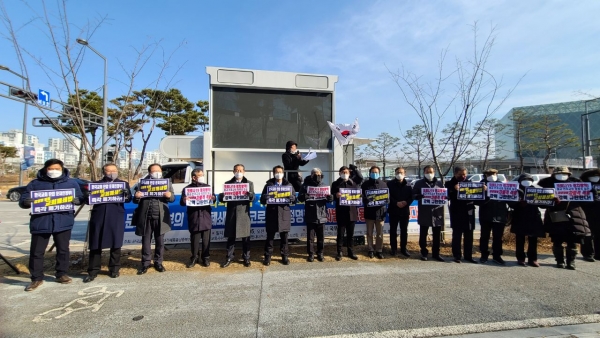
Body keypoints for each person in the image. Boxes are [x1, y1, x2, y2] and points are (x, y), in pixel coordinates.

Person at [19, 159, 84, 291]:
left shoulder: (71, 183)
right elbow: (22, 201)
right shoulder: (35, 183)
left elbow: (81, 197)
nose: (54, 171)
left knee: (63, 250)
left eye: (57, 169)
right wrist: (26, 202)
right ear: (45, 169)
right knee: (37, 252)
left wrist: (78, 200)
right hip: (41, 222)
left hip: (63, 221)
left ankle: (61, 274)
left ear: (62, 169)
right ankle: (36, 278)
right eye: (50, 169)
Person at [84, 163, 132, 282]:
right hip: (99, 215)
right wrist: (87, 196)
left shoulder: (123, 184)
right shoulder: (96, 185)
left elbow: (129, 199)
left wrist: (126, 194)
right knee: (95, 244)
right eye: (109, 171)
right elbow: (87, 201)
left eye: (114, 170)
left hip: (116, 216)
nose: (112, 173)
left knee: (116, 244)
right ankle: (93, 270)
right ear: (104, 172)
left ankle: (114, 269)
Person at [538, 166, 591, 270]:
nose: (562, 176)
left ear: (569, 175)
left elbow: (586, 202)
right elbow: (541, 203)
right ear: (554, 175)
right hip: (556, 217)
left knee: (572, 240)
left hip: (574, 217)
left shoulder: (579, 186)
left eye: (564, 174)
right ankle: (559, 261)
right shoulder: (547, 186)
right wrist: (551, 201)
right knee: (557, 240)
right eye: (559, 174)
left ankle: (571, 262)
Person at [132, 163, 175, 275]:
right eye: (154, 171)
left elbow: (172, 198)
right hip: (145, 216)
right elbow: (135, 200)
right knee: (146, 241)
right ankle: (145, 263)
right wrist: (136, 197)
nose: (157, 173)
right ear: (150, 172)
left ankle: (158, 262)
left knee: (160, 242)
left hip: (160, 216)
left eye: (159, 171)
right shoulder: (142, 183)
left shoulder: (167, 183)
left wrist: (169, 196)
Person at [218, 164, 255, 268]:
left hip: (243, 214)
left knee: (246, 238)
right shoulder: (228, 183)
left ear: (244, 171)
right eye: (236, 170)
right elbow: (222, 199)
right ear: (233, 171)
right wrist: (221, 196)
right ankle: (229, 257)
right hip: (232, 213)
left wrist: (250, 195)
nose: (238, 172)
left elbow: (253, 197)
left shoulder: (249, 183)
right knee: (231, 238)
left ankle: (246, 258)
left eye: (240, 170)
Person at [260, 165, 296, 265]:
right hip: (272, 213)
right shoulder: (268, 185)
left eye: (280, 172)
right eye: (276, 172)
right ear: (273, 173)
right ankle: (267, 257)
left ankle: (285, 256)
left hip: (284, 213)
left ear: (283, 173)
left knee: (284, 237)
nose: (278, 173)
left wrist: (292, 198)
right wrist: (264, 197)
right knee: (270, 237)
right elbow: (262, 200)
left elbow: (295, 200)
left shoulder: (288, 185)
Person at [507, 173, 545, 267]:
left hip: (533, 217)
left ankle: (533, 259)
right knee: (520, 239)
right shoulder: (515, 190)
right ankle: (520, 258)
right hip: (520, 217)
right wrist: (518, 203)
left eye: (529, 179)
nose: (527, 181)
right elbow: (510, 203)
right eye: (524, 179)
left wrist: (552, 200)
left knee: (533, 240)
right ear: (520, 181)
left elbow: (543, 204)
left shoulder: (536, 191)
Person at [180, 169, 215, 268]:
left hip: (205, 216)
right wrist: (184, 200)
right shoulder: (187, 189)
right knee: (195, 240)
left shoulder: (207, 187)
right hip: (194, 217)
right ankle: (194, 257)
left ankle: (206, 257)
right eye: (200, 175)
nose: (202, 177)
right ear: (194, 177)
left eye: (202, 175)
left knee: (206, 239)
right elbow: (182, 203)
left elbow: (214, 198)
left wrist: (213, 198)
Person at [298, 168, 333, 262]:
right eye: (314, 174)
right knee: (310, 237)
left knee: (321, 237)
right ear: (311, 175)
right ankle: (311, 254)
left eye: (318, 174)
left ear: (321, 175)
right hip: (310, 214)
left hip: (322, 214)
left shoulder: (325, 185)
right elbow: (299, 198)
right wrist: (303, 196)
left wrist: (330, 198)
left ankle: (320, 253)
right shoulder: (305, 185)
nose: (317, 176)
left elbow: (329, 200)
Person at [412, 165, 445, 261]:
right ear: (424, 173)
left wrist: (445, 197)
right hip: (424, 212)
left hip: (437, 212)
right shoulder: (419, 183)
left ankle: (436, 253)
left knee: (437, 235)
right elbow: (413, 195)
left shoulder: (439, 183)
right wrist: (420, 196)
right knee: (423, 234)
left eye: (431, 172)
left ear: (434, 172)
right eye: (427, 172)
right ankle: (424, 252)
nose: (429, 174)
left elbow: (444, 195)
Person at [445, 166, 477, 264]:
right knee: (457, 235)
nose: (463, 176)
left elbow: (477, 196)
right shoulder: (449, 183)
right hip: (457, 212)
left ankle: (468, 256)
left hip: (469, 211)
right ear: (455, 174)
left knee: (469, 236)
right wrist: (453, 189)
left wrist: (482, 190)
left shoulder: (470, 183)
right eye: (460, 174)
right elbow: (447, 196)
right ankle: (457, 255)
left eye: (464, 174)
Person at [477, 169, 509, 265]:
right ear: (485, 175)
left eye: (494, 174)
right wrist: (486, 193)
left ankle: (497, 255)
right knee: (484, 236)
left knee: (498, 237)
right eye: (490, 174)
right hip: (485, 215)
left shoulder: (501, 184)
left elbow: (509, 198)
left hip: (500, 215)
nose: (492, 175)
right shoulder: (481, 185)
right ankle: (484, 255)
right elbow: (477, 202)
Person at [331, 166, 360, 261]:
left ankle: (350, 251)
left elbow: (358, 195)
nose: (344, 173)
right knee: (340, 234)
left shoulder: (354, 183)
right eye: (343, 172)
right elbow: (331, 196)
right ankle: (339, 252)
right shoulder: (335, 184)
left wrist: (359, 196)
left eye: (346, 172)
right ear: (339, 173)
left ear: (349, 173)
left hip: (352, 212)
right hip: (341, 212)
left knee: (350, 234)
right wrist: (335, 195)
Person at [361, 165, 389, 259]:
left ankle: (379, 250)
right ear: (370, 173)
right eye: (373, 172)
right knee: (369, 233)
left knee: (380, 233)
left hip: (380, 213)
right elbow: (361, 196)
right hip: (369, 213)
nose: (374, 174)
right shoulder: (365, 184)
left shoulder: (384, 184)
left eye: (376, 172)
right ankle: (370, 249)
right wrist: (366, 200)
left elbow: (387, 196)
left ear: (379, 173)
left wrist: (386, 200)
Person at [387, 167, 414, 257]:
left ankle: (403, 248)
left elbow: (412, 196)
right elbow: (387, 196)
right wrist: (396, 203)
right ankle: (393, 249)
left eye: (401, 172)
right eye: (398, 172)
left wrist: (406, 202)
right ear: (395, 173)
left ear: (404, 173)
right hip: (393, 210)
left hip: (404, 211)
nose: (399, 174)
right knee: (393, 231)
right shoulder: (390, 184)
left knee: (404, 231)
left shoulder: (409, 184)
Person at [580, 169, 600, 262]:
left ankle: (598, 254)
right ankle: (588, 254)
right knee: (587, 234)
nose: (596, 178)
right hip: (586, 212)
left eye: (597, 176)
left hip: (598, 212)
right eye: (593, 176)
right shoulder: (582, 186)